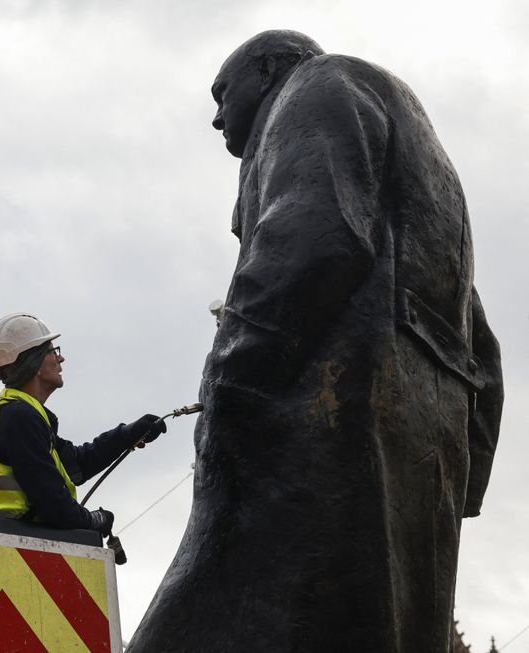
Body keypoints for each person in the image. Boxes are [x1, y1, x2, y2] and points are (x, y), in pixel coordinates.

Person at [128, 31, 503, 652]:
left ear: (270, 68)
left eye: (224, 93)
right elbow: (476, 337)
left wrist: (230, 379)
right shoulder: (422, 151)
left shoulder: (317, 88)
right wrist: (467, 470)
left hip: (320, 427)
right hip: (421, 450)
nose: (216, 115)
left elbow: (313, 237)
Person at [0, 313, 167, 536]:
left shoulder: (23, 414)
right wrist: (93, 520)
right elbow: (53, 505)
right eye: (52, 351)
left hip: (18, 544)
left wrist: (127, 435)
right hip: (20, 547)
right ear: (35, 363)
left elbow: (75, 464)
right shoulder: (19, 418)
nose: (60, 359)